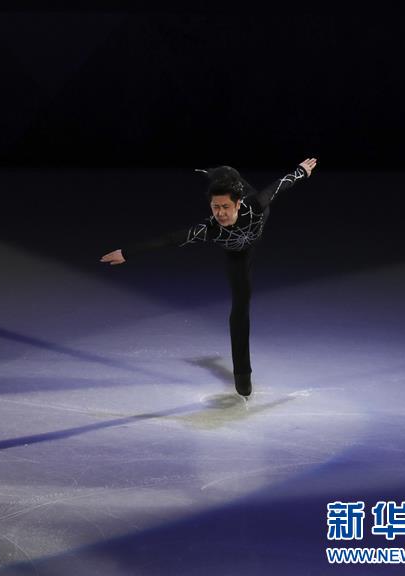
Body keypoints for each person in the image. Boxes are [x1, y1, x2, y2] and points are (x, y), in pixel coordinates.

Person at [100, 158, 318, 397]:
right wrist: (127, 253)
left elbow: (280, 184)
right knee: (240, 308)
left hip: (256, 221)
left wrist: (301, 170)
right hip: (238, 255)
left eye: (225, 207)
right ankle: (242, 373)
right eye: (215, 207)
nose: (220, 213)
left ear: (237, 204)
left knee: (229, 175)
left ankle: (224, 172)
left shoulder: (255, 204)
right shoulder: (209, 228)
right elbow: (170, 240)